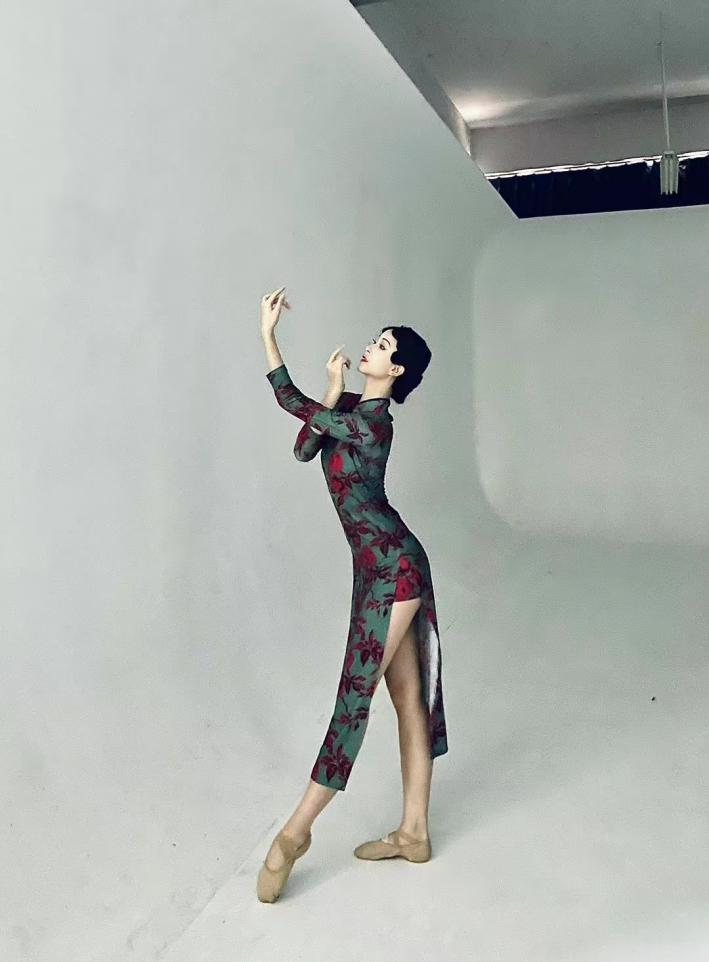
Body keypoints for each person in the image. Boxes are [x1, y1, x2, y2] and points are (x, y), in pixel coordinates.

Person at [257, 286, 448, 902]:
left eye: (384, 346)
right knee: (406, 697)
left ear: (396, 371)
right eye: (377, 339)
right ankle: (414, 833)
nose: (372, 346)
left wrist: (269, 339)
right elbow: (304, 446)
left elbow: (291, 403)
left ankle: (295, 833)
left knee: (353, 699)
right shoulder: (346, 414)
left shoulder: (374, 425)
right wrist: (332, 390)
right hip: (375, 571)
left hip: (396, 569)